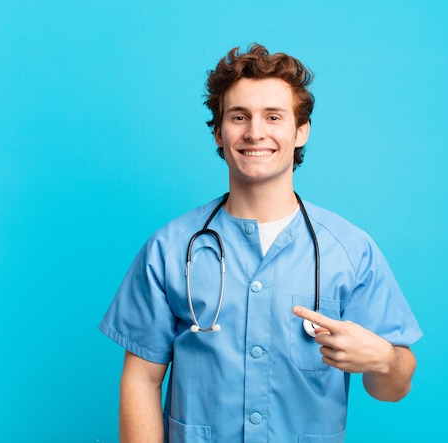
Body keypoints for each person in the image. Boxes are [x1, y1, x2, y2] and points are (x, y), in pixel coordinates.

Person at [99, 43, 423, 442]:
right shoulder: (170, 248)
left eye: (273, 116)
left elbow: (393, 389)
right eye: (239, 117)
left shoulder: (351, 251)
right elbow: (141, 381)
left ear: (300, 130)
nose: (255, 132)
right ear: (218, 132)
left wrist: (384, 361)